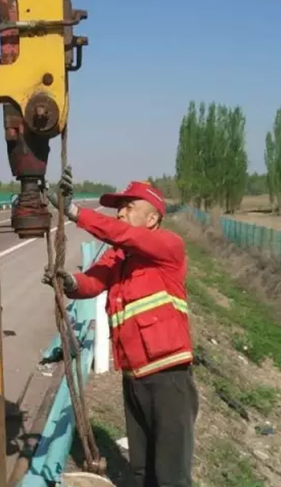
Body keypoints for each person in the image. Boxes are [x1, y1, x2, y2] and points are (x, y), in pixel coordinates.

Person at [43, 167, 198, 487]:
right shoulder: (120, 258)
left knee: (170, 475)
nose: (120, 212)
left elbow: (122, 234)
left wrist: (73, 211)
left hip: (168, 378)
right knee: (141, 471)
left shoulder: (169, 247)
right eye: (119, 207)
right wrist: (68, 281)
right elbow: (92, 282)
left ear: (152, 219)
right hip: (134, 379)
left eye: (129, 207)